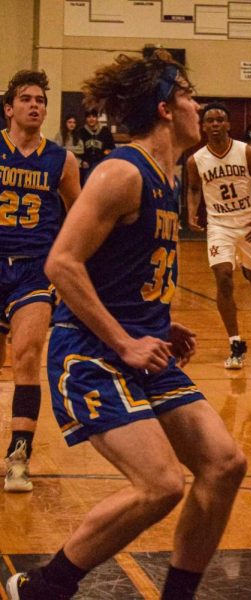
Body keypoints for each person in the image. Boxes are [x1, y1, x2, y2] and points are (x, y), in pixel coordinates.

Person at [6, 50, 247, 600]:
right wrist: (125, 341)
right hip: (88, 354)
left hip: (140, 348)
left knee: (225, 463)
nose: (199, 105)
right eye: (188, 96)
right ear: (165, 108)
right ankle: (44, 588)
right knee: (162, 483)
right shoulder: (122, 171)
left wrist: (158, 322)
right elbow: (62, 262)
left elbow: (120, 272)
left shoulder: (168, 174)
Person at [1, 70, 80, 493]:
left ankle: (18, 456)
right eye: (26, 99)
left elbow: (82, 216)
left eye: (41, 100)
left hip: (34, 268)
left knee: (27, 354)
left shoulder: (61, 160)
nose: (35, 105)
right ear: (9, 108)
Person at [186, 102, 251, 369]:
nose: (214, 124)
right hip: (219, 225)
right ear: (203, 127)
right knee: (223, 278)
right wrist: (191, 212)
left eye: (219, 120)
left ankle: (247, 266)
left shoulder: (246, 152)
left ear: (228, 124)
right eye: (209, 120)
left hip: (248, 224)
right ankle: (235, 342)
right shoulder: (195, 160)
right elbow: (193, 189)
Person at [77, 108, 115, 184]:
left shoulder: (105, 131)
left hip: (102, 164)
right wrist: (81, 162)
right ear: (86, 119)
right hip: (86, 166)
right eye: (89, 117)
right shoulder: (80, 132)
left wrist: (106, 155)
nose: (91, 119)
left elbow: (112, 148)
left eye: (93, 117)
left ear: (97, 118)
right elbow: (77, 150)